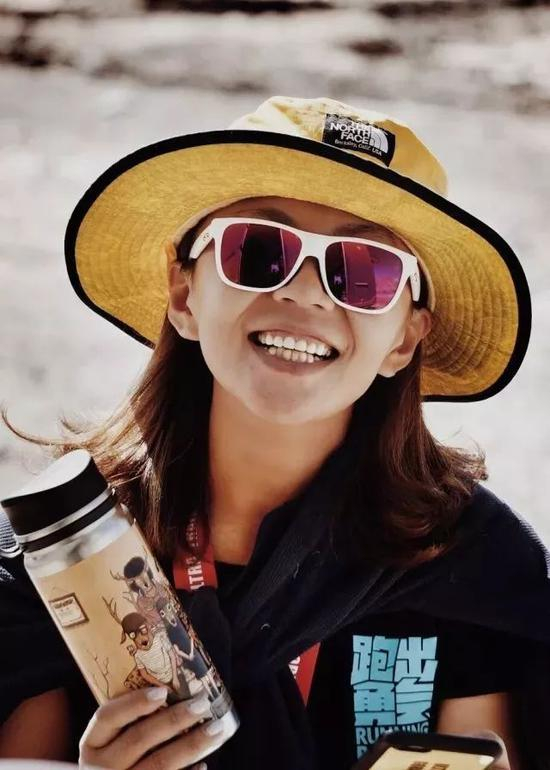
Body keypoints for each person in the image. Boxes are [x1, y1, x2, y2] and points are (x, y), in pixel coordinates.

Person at [0, 95, 548, 770]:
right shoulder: (55, 556)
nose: (306, 292)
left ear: (405, 339)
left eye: (366, 272)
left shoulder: (477, 569)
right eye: (259, 251)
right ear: (184, 294)